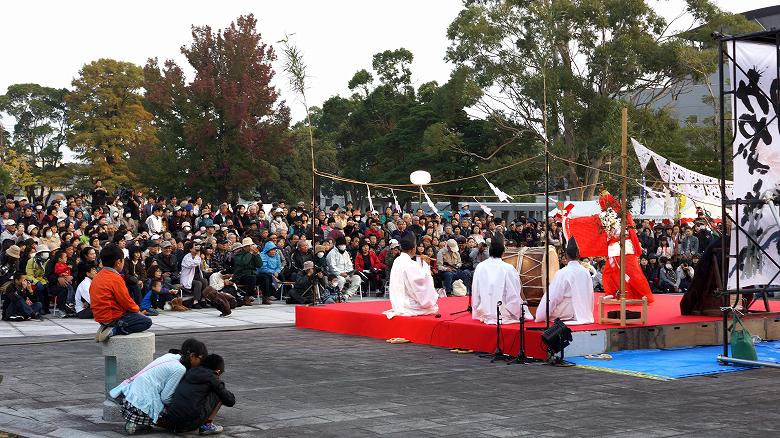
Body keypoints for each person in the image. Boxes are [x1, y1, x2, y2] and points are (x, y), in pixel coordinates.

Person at [109, 339, 207, 435]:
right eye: (201, 359)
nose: (200, 364)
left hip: (131, 394)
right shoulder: (180, 369)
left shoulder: (171, 356)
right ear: (192, 356)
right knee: (168, 409)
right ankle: (135, 422)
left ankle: (140, 422)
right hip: (143, 398)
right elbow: (165, 397)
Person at [160, 353, 235, 435]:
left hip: (172, 420)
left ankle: (182, 426)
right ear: (218, 371)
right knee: (218, 394)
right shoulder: (212, 377)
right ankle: (207, 426)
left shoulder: (190, 372)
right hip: (190, 422)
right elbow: (230, 401)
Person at [91, 243, 153, 342]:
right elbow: (126, 300)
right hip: (112, 317)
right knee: (146, 321)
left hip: (100, 317)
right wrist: (137, 310)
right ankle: (115, 329)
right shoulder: (115, 278)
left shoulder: (98, 276)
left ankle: (105, 327)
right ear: (118, 262)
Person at [471, 233, 532, 324]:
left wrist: (476, 309)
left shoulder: (480, 266)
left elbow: (475, 291)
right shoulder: (508, 268)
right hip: (504, 313)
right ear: (503, 253)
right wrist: (520, 311)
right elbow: (513, 294)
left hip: (484, 313)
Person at [535, 237, 595, 325]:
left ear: (566, 256)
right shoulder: (586, 272)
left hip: (566, 313)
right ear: (579, 255)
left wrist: (540, 315)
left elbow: (553, 297)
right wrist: (587, 312)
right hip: (584, 312)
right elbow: (590, 295)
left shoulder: (563, 273)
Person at [383, 232, 439, 319]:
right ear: (413, 249)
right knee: (433, 308)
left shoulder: (398, 260)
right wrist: (426, 265)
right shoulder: (410, 263)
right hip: (408, 302)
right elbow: (421, 281)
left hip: (397, 300)